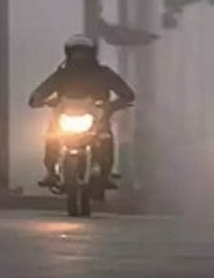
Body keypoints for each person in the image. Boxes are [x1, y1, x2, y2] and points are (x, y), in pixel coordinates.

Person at [29, 35, 135, 188]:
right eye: (76, 52)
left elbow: (127, 93)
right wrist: (38, 98)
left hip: (96, 117)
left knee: (105, 136)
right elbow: (44, 89)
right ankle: (51, 172)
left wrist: (113, 105)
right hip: (64, 116)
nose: (80, 56)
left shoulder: (103, 73)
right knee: (51, 136)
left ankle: (105, 174)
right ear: (69, 54)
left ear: (91, 53)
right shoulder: (62, 74)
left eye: (84, 53)